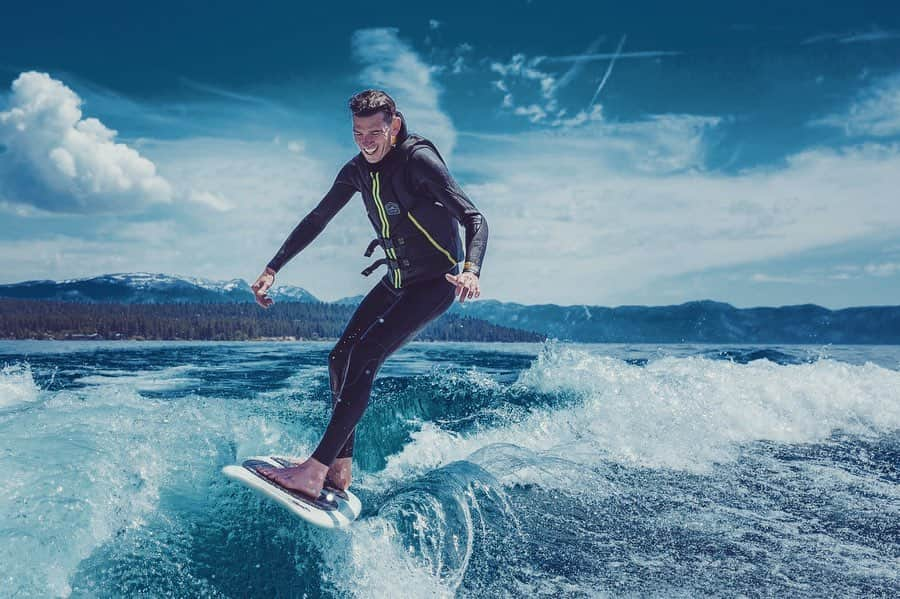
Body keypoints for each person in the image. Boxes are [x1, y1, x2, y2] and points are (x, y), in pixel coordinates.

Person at [249, 89, 488, 501]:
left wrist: (471, 270)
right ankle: (339, 469)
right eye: (358, 133)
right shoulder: (357, 170)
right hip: (397, 278)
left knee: (366, 354)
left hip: (435, 283)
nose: (366, 142)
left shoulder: (418, 161)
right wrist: (273, 268)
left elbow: (475, 218)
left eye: (374, 132)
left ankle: (314, 469)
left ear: (394, 126)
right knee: (340, 356)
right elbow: (317, 218)